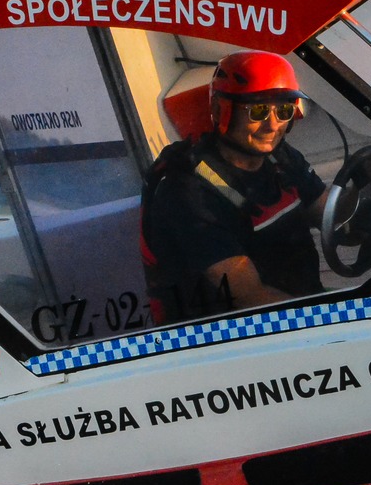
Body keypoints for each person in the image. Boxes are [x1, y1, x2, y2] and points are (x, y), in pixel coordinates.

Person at [141, 52, 334, 322]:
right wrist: (330, 320)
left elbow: (332, 217)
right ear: (222, 110)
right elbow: (251, 297)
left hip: (300, 309)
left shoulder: (282, 159)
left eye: (284, 110)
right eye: (258, 110)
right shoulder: (188, 193)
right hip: (232, 338)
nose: (272, 124)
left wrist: (370, 182)